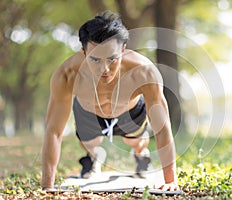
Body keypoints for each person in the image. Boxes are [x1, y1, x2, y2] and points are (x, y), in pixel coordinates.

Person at [42, 11, 178, 191]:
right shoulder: (66, 75)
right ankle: (94, 156)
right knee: (89, 143)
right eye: (95, 59)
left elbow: (162, 128)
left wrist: (170, 182)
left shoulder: (144, 72)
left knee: (135, 141)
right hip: (88, 111)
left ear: (123, 49)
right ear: (83, 52)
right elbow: (54, 132)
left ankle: (140, 154)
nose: (104, 69)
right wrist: (47, 187)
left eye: (112, 59)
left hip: (129, 112)